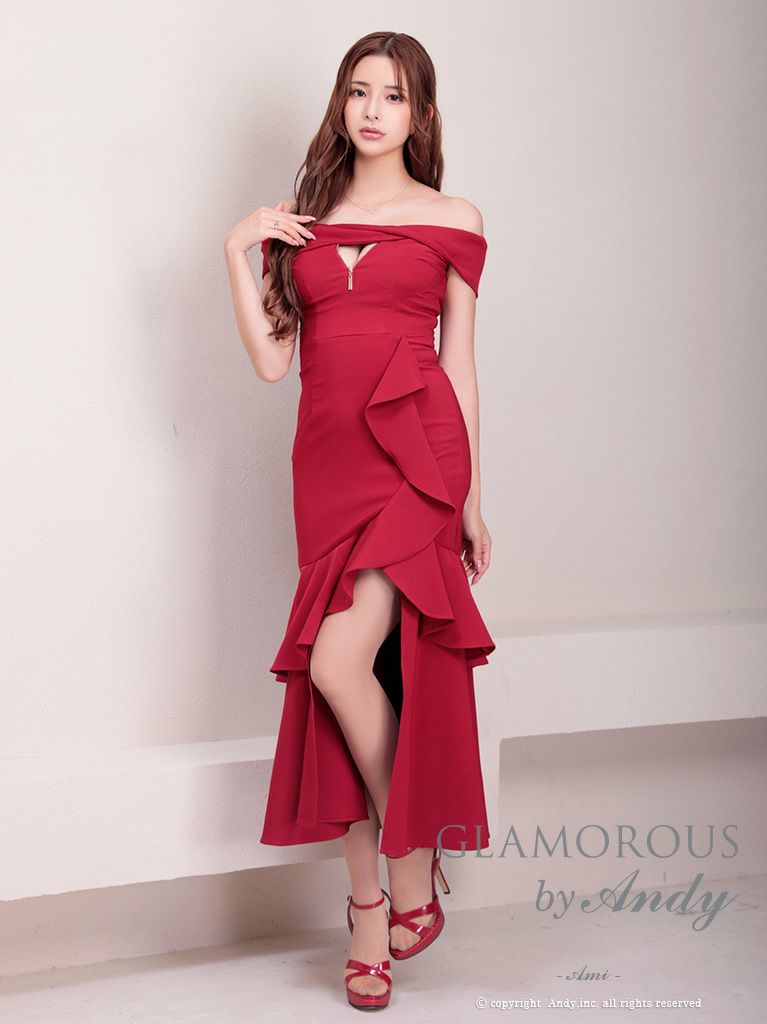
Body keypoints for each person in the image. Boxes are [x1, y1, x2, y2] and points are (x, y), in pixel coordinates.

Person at [224, 30, 495, 1011]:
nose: (374, 110)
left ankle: (408, 873)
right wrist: (236, 248)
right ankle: (370, 911)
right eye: (359, 91)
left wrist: (471, 499)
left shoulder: (453, 219)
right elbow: (272, 363)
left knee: (342, 663)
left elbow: (459, 366)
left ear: (420, 114)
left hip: (416, 463)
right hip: (326, 468)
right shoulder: (301, 223)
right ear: (341, 104)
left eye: (394, 95)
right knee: (339, 686)